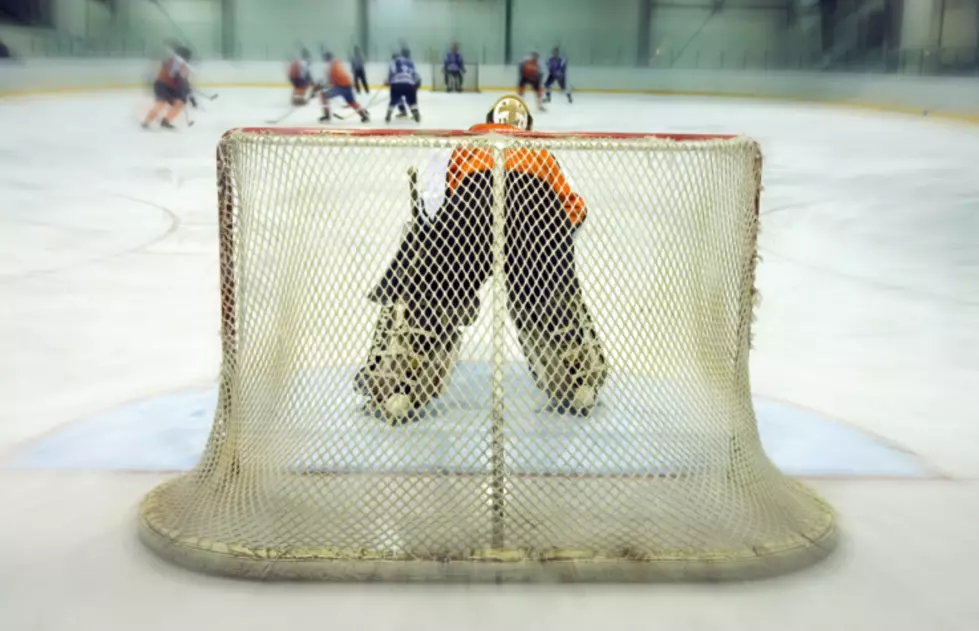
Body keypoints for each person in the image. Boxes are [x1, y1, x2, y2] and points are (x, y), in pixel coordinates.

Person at [355, 94, 607, 424]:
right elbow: (575, 208)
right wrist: (549, 253)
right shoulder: (541, 151)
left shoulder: (466, 141)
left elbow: (431, 198)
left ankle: (399, 376)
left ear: (488, 119)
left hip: (473, 203)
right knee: (549, 301)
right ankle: (575, 375)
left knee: (436, 295)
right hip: (538, 208)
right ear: (527, 127)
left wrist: (439, 248)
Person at [142, 45, 195, 130]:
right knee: (160, 104)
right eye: (187, 57)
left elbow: (183, 81)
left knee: (181, 102)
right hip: (162, 85)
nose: (188, 59)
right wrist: (187, 92)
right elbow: (178, 78)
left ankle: (165, 122)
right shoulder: (173, 62)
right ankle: (145, 123)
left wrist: (190, 95)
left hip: (170, 87)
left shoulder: (181, 64)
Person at [319, 51, 370, 123]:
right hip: (348, 86)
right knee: (352, 102)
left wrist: (322, 86)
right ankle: (364, 115)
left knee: (323, 95)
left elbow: (329, 81)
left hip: (340, 87)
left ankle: (327, 115)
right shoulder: (338, 62)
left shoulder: (329, 66)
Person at [385, 47, 421, 123]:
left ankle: (389, 114)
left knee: (394, 99)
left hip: (397, 83)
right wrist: (416, 83)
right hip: (409, 83)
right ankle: (415, 113)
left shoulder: (394, 62)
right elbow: (415, 74)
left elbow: (392, 72)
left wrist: (388, 81)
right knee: (412, 101)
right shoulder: (410, 62)